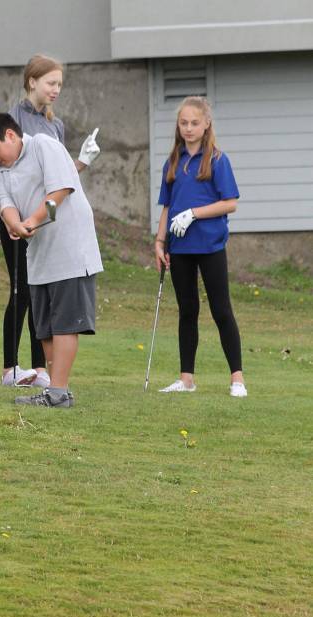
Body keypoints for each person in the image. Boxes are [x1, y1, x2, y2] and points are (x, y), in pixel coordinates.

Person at [0, 55, 100, 389]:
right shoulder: (12, 121)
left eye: (60, 84)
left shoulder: (54, 126)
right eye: (51, 83)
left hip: (49, 223)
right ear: (32, 81)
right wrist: (12, 218)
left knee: (51, 299)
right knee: (26, 293)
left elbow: (60, 183)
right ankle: (12, 367)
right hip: (22, 223)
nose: (56, 90)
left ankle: (46, 376)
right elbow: (0, 178)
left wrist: (82, 161)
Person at [155, 95, 246, 397]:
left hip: (210, 246)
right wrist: (159, 241)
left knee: (221, 310)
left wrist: (194, 213)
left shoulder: (218, 160)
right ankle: (186, 379)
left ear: (206, 124)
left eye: (195, 123)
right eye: (184, 123)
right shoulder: (174, 161)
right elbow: (166, 206)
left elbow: (229, 203)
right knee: (187, 311)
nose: (189, 128)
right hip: (179, 248)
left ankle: (237, 379)